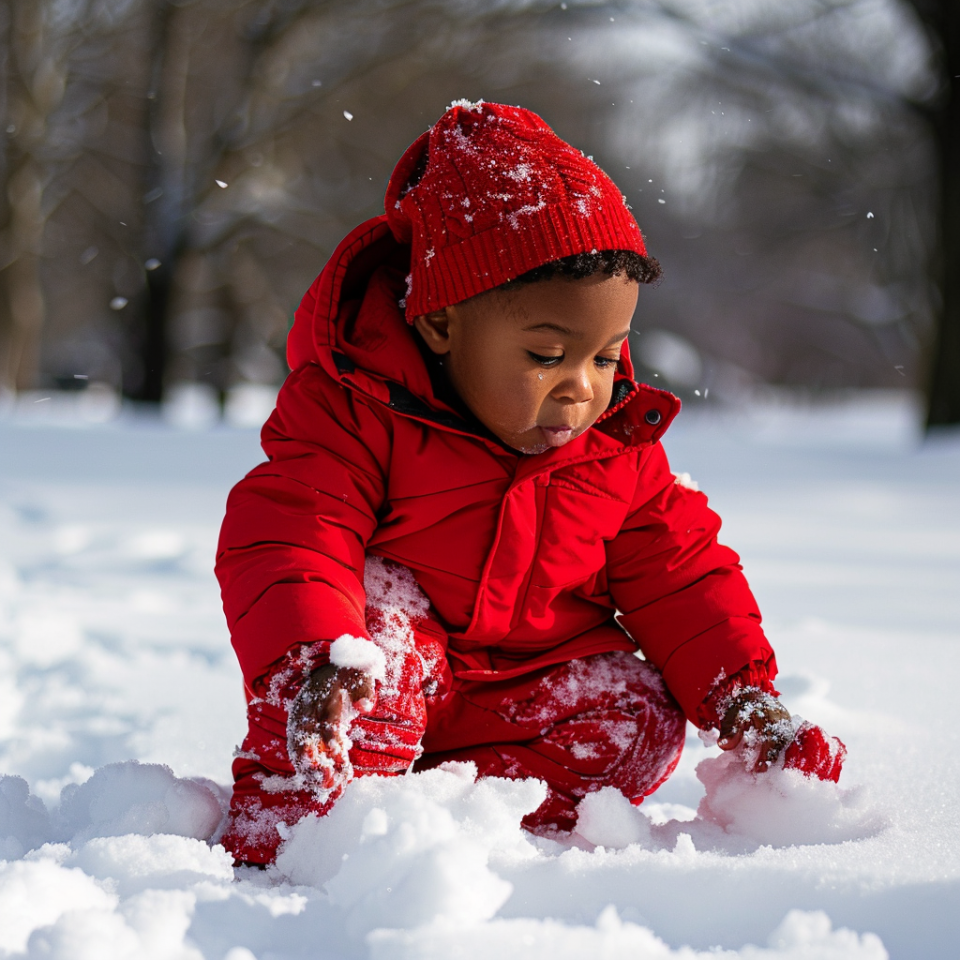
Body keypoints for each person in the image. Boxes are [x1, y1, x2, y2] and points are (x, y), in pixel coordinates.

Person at [215, 100, 845, 866]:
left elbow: (680, 572)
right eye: (548, 355)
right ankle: (307, 828)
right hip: (397, 668)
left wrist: (738, 694)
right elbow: (292, 528)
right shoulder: (357, 411)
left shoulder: (616, 451)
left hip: (522, 692)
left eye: (607, 356)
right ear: (440, 324)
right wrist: (312, 650)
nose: (584, 389)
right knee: (364, 656)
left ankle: (480, 815)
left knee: (637, 714)